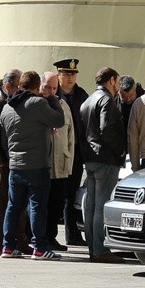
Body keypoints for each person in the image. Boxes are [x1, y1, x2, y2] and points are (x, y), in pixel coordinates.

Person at [0, 70, 65, 260]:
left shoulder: (7, 108)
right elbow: (59, 120)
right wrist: (52, 99)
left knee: (13, 207)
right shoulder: (37, 103)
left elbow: (5, 140)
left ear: (21, 85)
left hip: (15, 165)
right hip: (37, 165)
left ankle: (7, 247)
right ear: (37, 87)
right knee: (37, 207)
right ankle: (40, 248)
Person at [0, 69, 33, 256]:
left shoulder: (13, 101)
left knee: (19, 201)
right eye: (18, 87)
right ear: (8, 86)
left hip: (15, 158)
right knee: (4, 201)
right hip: (4, 160)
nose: (21, 91)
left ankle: (20, 240)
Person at [79, 67, 127, 264]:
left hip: (90, 158)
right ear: (112, 80)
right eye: (118, 81)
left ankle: (94, 248)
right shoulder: (106, 100)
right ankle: (99, 250)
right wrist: (120, 149)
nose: (119, 86)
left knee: (91, 205)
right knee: (101, 205)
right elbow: (106, 128)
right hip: (105, 158)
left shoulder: (88, 101)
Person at [53, 58, 90, 246]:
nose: (70, 78)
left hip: (76, 151)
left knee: (72, 194)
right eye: (66, 74)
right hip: (57, 152)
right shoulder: (53, 96)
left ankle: (73, 234)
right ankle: (49, 236)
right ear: (59, 75)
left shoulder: (82, 95)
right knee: (56, 194)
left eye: (73, 74)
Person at [41, 71, 74, 252]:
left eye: (54, 88)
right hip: (42, 165)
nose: (51, 92)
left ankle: (51, 237)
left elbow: (70, 137)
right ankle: (39, 238)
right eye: (47, 87)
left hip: (60, 165)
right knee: (41, 204)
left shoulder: (63, 105)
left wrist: (69, 163)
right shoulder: (37, 105)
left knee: (57, 204)